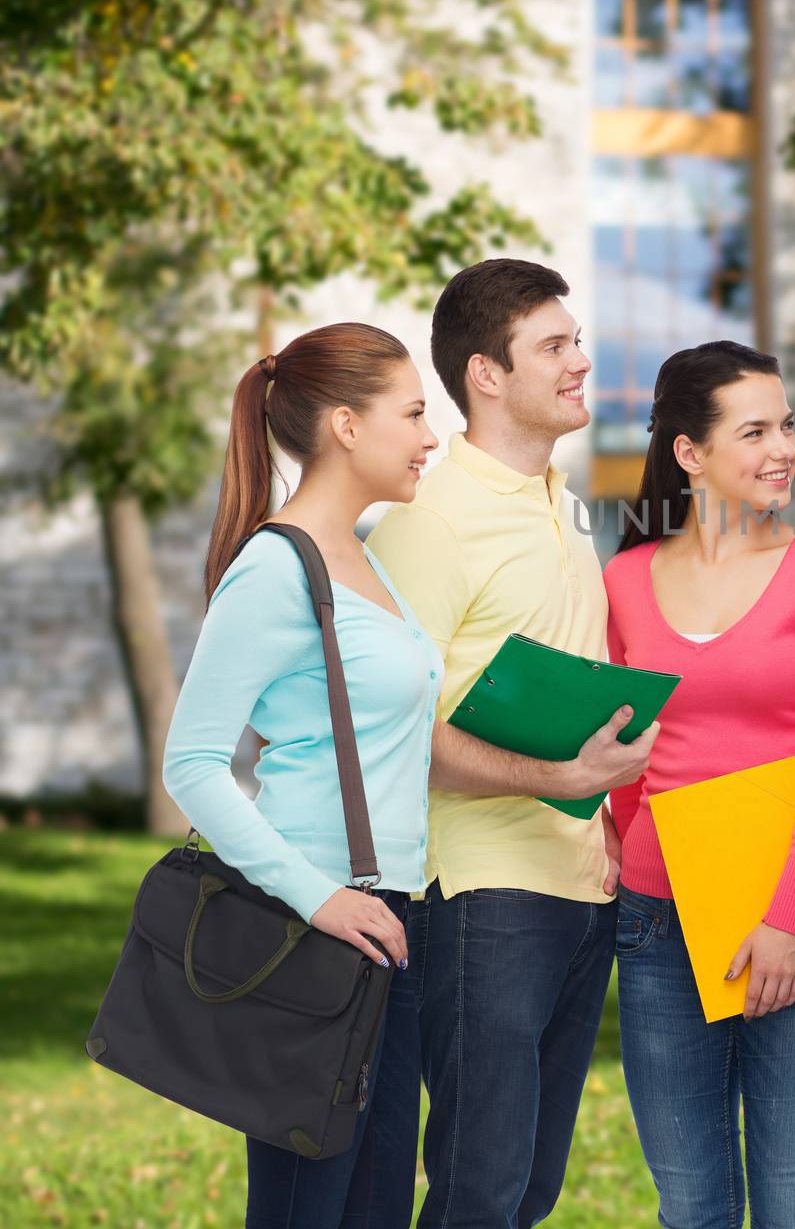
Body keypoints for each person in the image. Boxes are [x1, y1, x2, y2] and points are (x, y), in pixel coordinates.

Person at [365, 259, 658, 1228]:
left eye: (575, 340)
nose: (581, 361)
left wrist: (598, 808)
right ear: (487, 373)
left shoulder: (559, 502)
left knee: (527, 1186)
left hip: (578, 881)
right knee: (480, 1185)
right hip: (483, 891)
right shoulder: (429, 520)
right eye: (555, 346)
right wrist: (560, 774)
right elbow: (394, 726)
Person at [163, 323, 442, 1228]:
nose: (428, 436)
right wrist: (319, 898)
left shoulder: (361, 560)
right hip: (315, 929)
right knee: (304, 1210)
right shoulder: (276, 568)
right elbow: (193, 764)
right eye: (412, 413)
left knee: (372, 1210)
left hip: (390, 921)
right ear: (348, 426)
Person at [604, 341, 795, 1229]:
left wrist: (787, 918)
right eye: (754, 430)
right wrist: (609, 836)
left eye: (787, 425)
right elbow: (615, 753)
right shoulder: (624, 582)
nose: (783, 448)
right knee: (691, 1204)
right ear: (690, 452)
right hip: (659, 920)